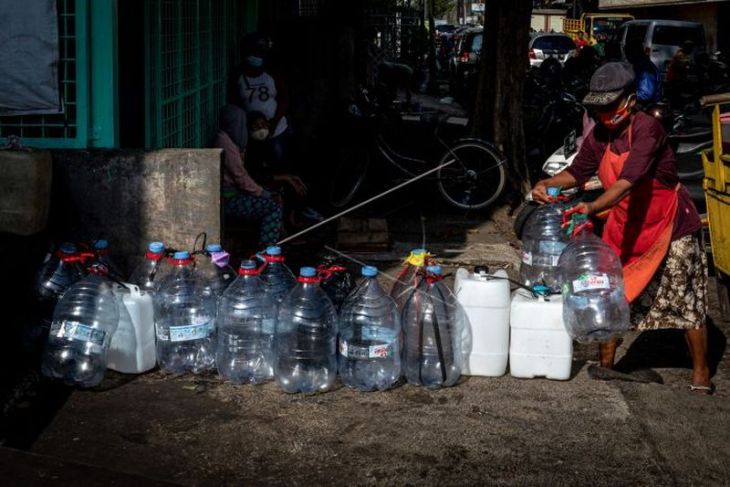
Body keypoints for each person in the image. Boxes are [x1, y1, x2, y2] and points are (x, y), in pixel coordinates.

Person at [530, 62, 712, 394]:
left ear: (629, 101)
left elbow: (628, 181)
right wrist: (547, 181)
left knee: (686, 299)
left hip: (668, 224)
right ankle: (607, 365)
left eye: (609, 106)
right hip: (626, 223)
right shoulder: (600, 134)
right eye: (598, 107)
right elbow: (579, 172)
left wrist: (593, 206)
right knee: (612, 294)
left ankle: (701, 370)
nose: (603, 114)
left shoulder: (648, 129)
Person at [213, 105, 283, 248]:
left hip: (234, 194)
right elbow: (240, 177)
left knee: (277, 195)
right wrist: (263, 194)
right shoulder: (224, 143)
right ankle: (266, 251)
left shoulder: (231, 140)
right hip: (227, 200)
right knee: (272, 207)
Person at [232, 40, 291, 171]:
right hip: (252, 131)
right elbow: (235, 103)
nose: (257, 58)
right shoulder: (239, 76)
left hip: (277, 128)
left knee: (278, 161)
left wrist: (274, 122)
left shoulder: (271, 74)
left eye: (260, 54)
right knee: (255, 165)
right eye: (254, 54)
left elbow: (284, 97)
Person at [624, 39, 662, 105]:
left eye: (628, 54)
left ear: (634, 53)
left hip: (648, 106)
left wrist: (625, 94)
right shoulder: (638, 66)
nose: (627, 58)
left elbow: (645, 94)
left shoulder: (646, 69)